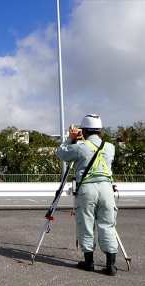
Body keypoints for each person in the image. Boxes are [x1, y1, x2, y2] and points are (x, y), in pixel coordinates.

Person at [56, 114, 119, 276]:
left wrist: (70, 139)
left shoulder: (81, 146)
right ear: (99, 130)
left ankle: (89, 262)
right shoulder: (110, 147)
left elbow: (61, 153)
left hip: (87, 190)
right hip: (106, 189)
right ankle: (111, 265)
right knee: (108, 225)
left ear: (83, 131)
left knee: (86, 224)